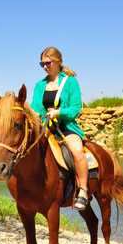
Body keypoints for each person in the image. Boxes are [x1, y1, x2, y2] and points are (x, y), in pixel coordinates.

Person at [31, 47, 88, 211]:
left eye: (48, 63)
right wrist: (32, 113)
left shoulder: (70, 81)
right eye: (42, 64)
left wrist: (59, 112)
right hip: (46, 128)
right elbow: (36, 106)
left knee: (77, 151)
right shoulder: (40, 85)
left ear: (58, 62)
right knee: (28, 150)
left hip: (66, 126)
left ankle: (83, 190)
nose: (45, 67)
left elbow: (76, 108)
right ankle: (28, 190)